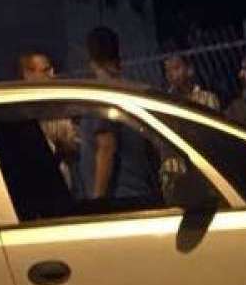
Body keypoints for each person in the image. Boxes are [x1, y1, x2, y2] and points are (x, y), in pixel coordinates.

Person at [79, 27, 154, 200]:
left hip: (119, 198)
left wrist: (98, 200)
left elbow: (106, 146)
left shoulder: (104, 92)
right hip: (138, 192)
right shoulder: (126, 90)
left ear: (91, 57)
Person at [18, 52, 80, 189]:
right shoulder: (15, 111)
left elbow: (71, 143)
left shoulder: (57, 107)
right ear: (28, 74)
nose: (52, 75)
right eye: (45, 70)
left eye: (51, 70)